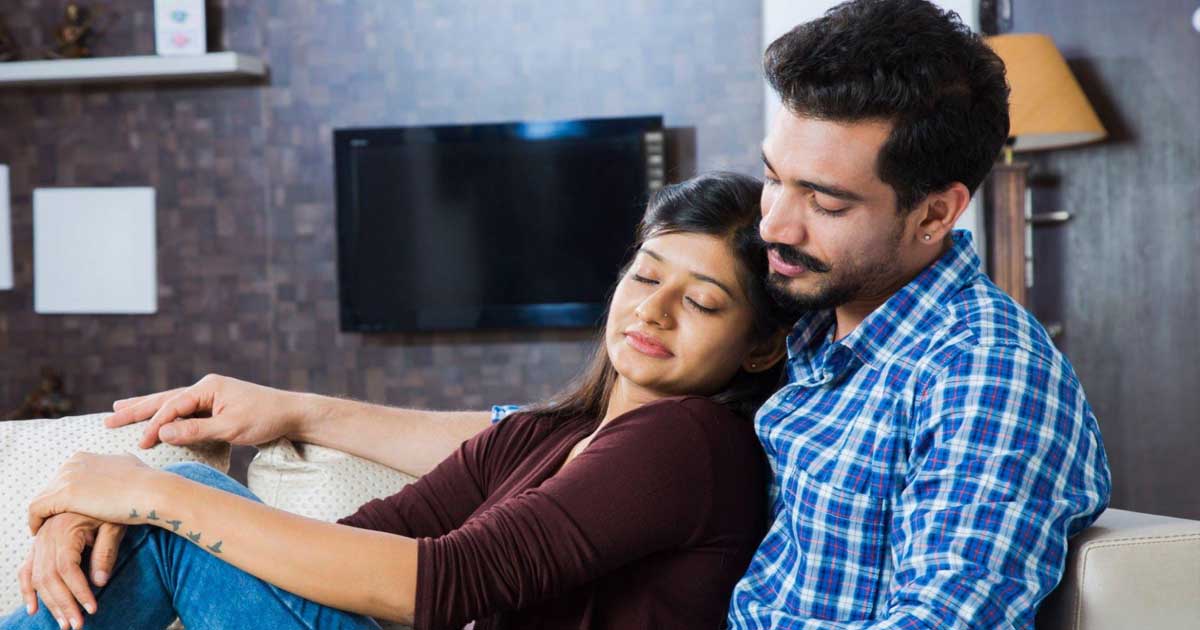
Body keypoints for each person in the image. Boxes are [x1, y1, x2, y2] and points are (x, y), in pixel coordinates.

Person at [19, 0, 1113, 627]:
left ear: (939, 214)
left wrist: (146, 493)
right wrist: (271, 423)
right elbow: (549, 439)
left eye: (823, 202)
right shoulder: (829, 331)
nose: (778, 223)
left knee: (169, 523)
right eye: (776, 176)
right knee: (172, 514)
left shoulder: (980, 373)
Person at [4, 172, 793, 629]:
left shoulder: (689, 442)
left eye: (704, 302)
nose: (652, 311)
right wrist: (111, 507)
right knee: (189, 514)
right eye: (647, 275)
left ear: (759, 346)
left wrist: (147, 493)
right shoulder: (549, 436)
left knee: (188, 508)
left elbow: (447, 582)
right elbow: (364, 539)